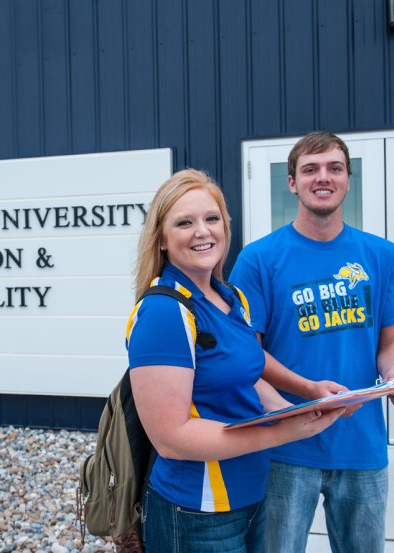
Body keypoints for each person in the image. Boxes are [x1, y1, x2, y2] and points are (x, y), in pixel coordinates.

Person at [127, 168, 346, 553]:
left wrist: (298, 405)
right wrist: (285, 432)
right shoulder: (163, 312)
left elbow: (246, 370)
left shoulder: (231, 298)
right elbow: (172, 439)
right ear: (161, 239)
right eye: (184, 222)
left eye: (212, 219)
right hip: (198, 510)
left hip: (252, 493)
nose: (202, 231)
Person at [228, 131, 394, 553]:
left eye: (335, 168)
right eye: (310, 169)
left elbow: (393, 342)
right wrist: (307, 393)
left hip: (361, 446)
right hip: (284, 445)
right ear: (292, 182)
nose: (324, 177)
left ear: (348, 179)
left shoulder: (382, 255)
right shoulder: (258, 259)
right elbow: (245, 354)